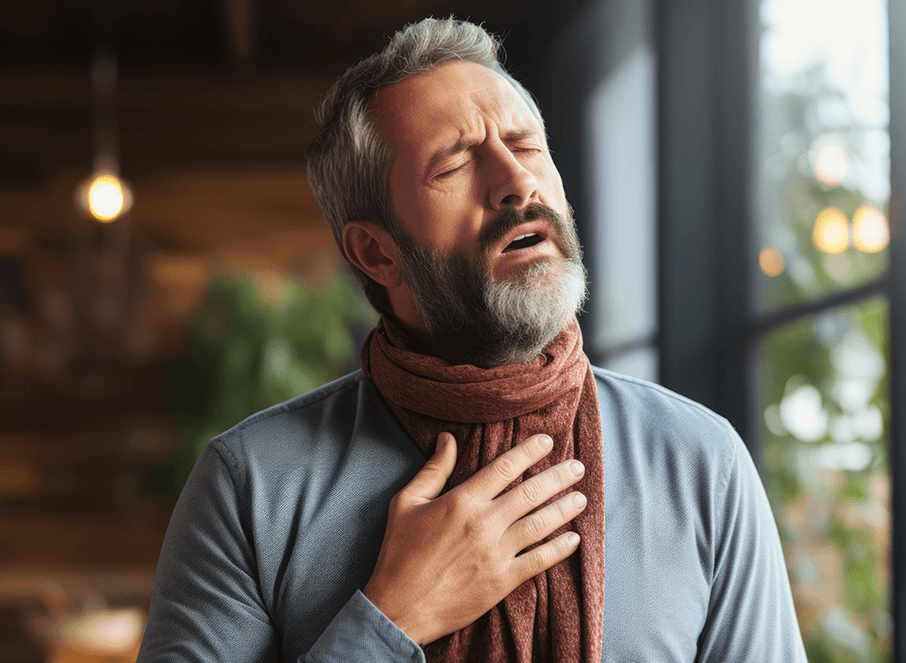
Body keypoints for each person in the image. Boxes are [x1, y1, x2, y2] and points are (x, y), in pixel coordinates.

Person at [137, 17, 807, 663]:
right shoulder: (250, 485)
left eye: (525, 146)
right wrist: (388, 621)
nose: (517, 185)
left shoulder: (701, 462)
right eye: (454, 165)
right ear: (376, 252)